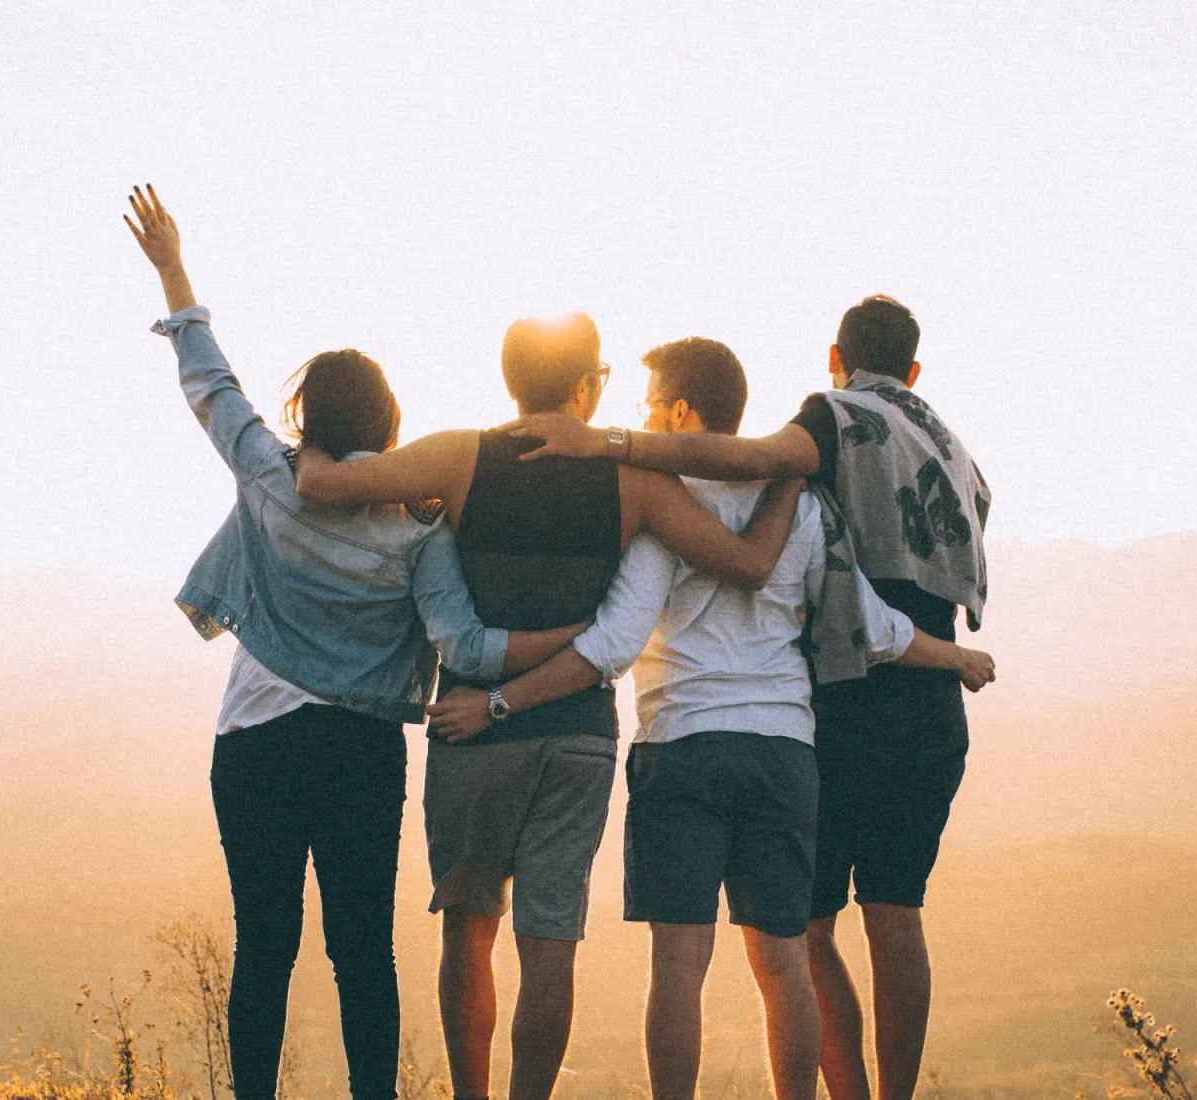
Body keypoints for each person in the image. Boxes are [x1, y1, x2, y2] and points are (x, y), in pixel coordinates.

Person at [427, 337, 994, 1100]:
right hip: (785, 753)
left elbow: (613, 644)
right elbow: (873, 624)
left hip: (683, 748)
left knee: (679, 965)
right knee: (784, 959)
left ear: (683, 412)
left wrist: (500, 700)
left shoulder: (665, 504)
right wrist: (955, 658)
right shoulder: (799, 505)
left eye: (652, 403)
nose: (645, 416)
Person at [125, 186, 587, 1100]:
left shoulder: (269, 475)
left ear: (308, 418)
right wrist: (582, 634)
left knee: (263, 946)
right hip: (360, 755)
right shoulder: (418, 532)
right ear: (387, 423)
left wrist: (174, 268)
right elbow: (470, 645)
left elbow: (211, 386)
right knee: (361, 955)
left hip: (253, 742)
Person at [292, 318, 803, 1100]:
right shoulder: (634, 484)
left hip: (471, 730)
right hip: (578, 737)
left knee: (468, 935)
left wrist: (311, 442)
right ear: (588, 385)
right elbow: (748, 565)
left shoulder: (460, 455)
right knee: (550, 943)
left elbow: (322, 487)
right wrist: (793, 475)